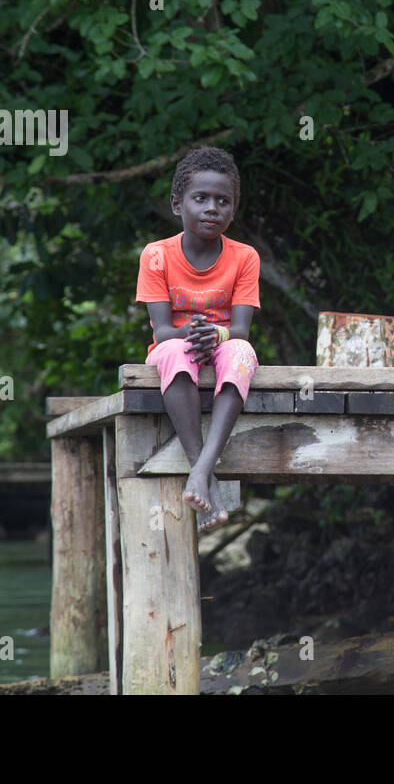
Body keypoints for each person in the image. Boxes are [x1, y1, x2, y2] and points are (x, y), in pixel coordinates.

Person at [135, 146, 260, 531]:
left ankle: (200, 470)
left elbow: (239, 330)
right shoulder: (157, 255)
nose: (212, 208)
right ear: (178, 205)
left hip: (221, 343)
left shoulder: (244, 257)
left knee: (242, 351)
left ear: (233, 210)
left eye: (223, 202)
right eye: (200, 198)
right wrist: (194, 334)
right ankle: (207, 476)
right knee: (173, 349)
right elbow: (162, 329)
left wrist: (216, 334)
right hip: (177, 346)